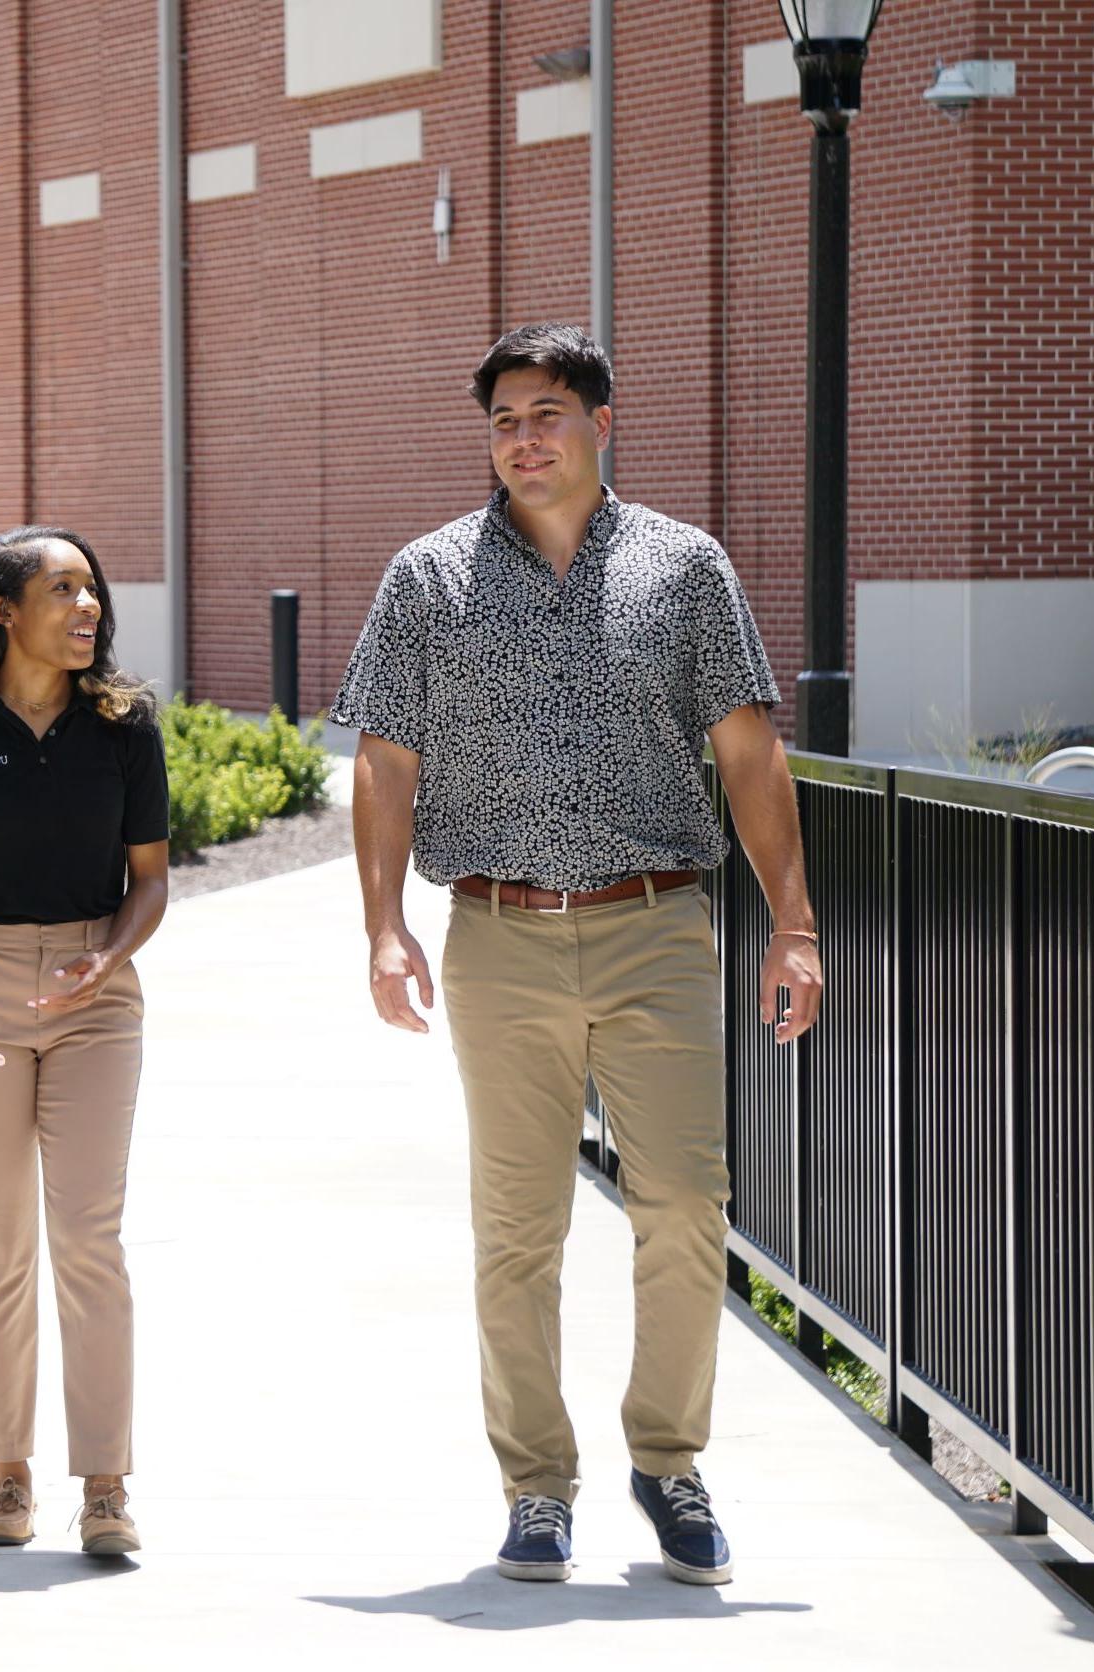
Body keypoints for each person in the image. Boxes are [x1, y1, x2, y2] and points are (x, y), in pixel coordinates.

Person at [330, 324, 822, 1588]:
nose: (525, 437)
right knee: (518, 1228)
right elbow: (387, 761)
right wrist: (384, 926)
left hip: (659, 924)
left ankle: (667, 1460)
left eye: (548, 412)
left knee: (685, 1206)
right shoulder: (428, 577)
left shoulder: (684, 567)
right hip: (498, 935)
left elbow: (748, 750)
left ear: (603, 423)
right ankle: (535, 1487)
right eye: (503, 419)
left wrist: (796, 922)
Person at [0, 527, 171, 1558]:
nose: (88, 607)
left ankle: (105, 1484)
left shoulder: (126, 727)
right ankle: (8, 1473)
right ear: (3, 610)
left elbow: (151, 879)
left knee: (90, 1238)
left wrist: (111, 956)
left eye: (92, 589)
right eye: (63, 589)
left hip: (97, 989)